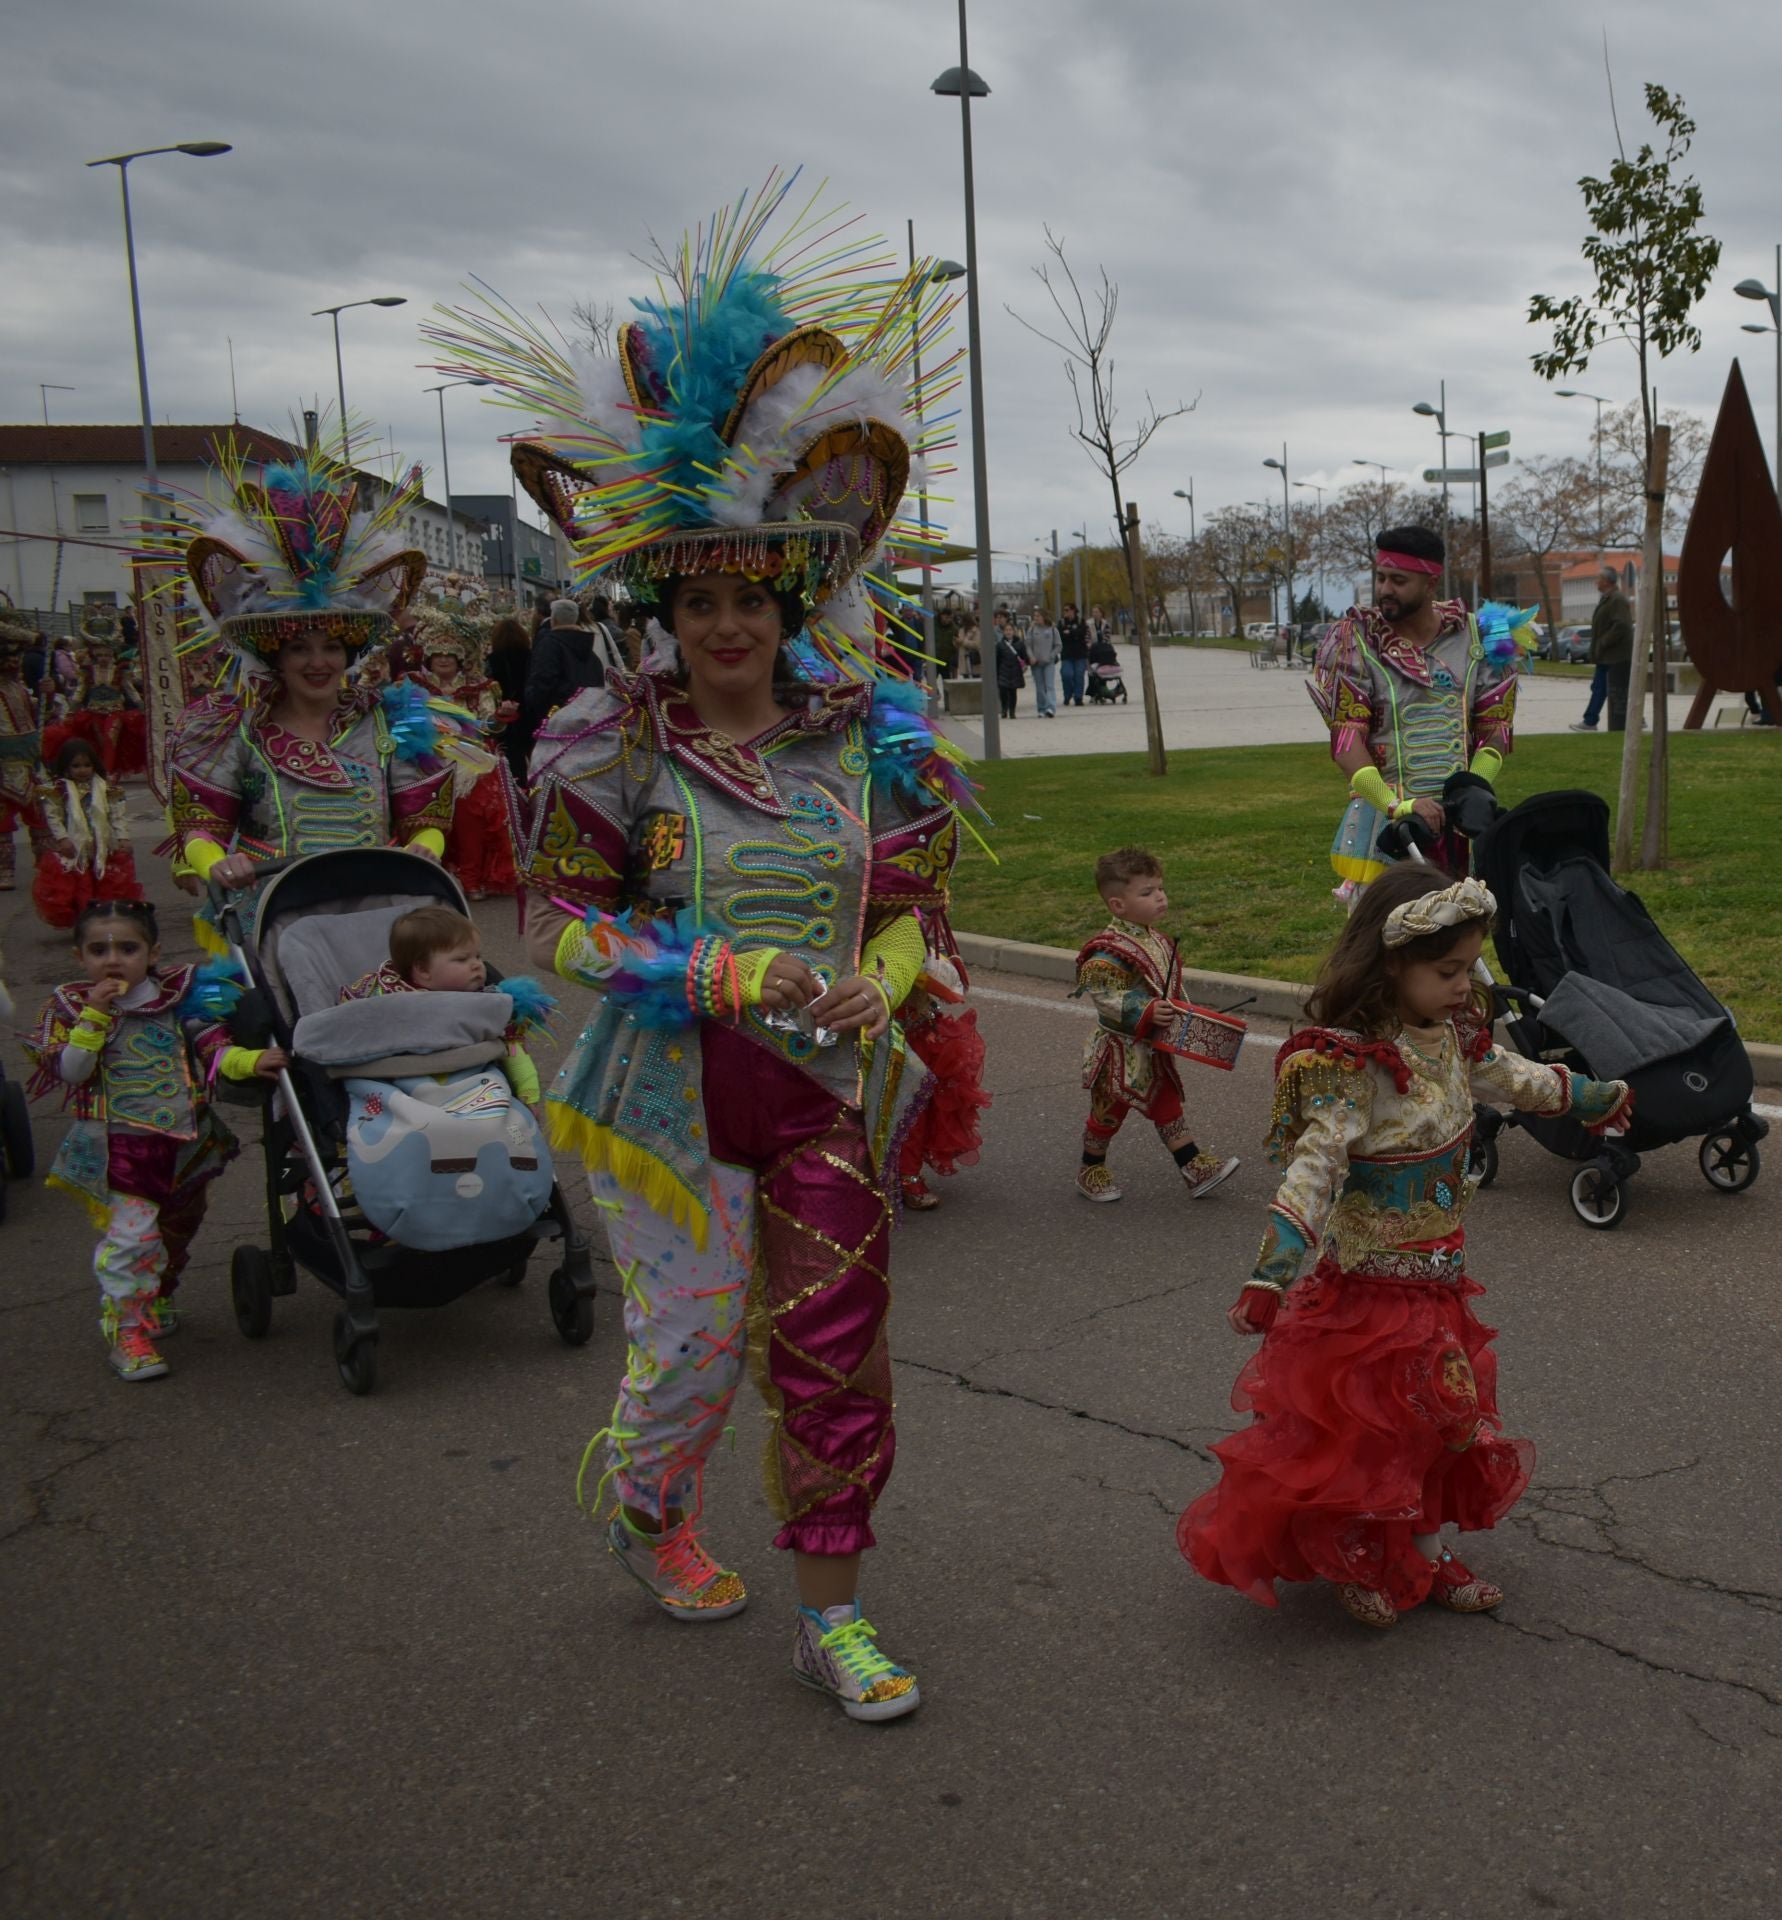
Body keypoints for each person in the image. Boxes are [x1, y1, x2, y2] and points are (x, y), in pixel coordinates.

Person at [429, 178, 981, 1722]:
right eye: (697, 598)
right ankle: (649, 1503)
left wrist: (877, 976)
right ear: (658, 601)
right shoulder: (608, 739)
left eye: (750, 594)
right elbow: (568, 930)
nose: (725, 625)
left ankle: (832, 1615)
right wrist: (722, 973)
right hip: (667, 1102)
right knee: (686, 1362)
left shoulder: (871, 736)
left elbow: (904, 904)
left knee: (832, 1356)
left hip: (817, 1098)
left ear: (796, 590)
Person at [1179, 866, 1633, 1628]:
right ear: (1392, 963)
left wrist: (1589, 1096)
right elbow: (1313, 1171)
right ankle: (1354, 1553)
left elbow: (1509, 1076)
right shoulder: (1352, 1066)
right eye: (1447, 971)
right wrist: (1269, 1277)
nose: (1465, 986)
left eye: (1470, 969)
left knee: (1440, 1424)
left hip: (1440, 1283)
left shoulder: (1453, 1039)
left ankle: (1424, 1554)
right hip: (1366, 1296)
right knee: (1364, 1436)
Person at [153, 446, 455, 946]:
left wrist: (426, 848)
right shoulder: (236, 728)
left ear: (349, 652)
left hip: (378, 914)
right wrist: (218, 861)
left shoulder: (391, 722)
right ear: (275, 655)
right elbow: (201, 824)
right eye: (299, 648)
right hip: (270, 920)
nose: (319, 662)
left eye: (331, 647)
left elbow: (424, 816)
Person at [30, 900, 283, 1380]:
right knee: (133, 1239)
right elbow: (72, 1071)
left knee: (177, 1229)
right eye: (98, 949)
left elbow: (214, 1048)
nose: (112, 959)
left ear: (152, 952)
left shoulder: (176, 999)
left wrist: (251, 1063)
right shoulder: (71, 1008)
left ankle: (159, 1295)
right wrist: (94, 1018)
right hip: (120, 1147)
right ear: (78, 956)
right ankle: (127, 1331)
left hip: (186, 1144)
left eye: (127, 947)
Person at [1311, 526, 1519, 900]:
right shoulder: (1357, 639)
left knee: (1456, 940)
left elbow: (1495, 731)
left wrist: (1472, 789)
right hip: (1389, 828)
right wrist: (1396, 804)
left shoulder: (1484, 635)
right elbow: (1346, 741)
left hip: (1460, 828)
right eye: (1380, 577)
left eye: (1398, 580)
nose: (1385, 589)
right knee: (1383, 943)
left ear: (1430, 583)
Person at [1072, 847, 1240, 1203]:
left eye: (1160, 888)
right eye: (1147, 893)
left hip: (1153, 1047)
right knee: (1107, 1114)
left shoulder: (1157, 939)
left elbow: (1169, 985)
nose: (1159, 896)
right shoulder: (1108, 950)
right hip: (1118, 1053)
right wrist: (1145, 1010)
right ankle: (1090, 1170)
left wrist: (1187, 1012)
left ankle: (1194, 1167)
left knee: (1167, 1105)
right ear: (1118, 905)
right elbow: (1103, 993)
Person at [338, 904, 546, 1108]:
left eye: (477, 956)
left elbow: (513, 1049)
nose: (477, 964)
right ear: (422, 970)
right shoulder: (386, 999)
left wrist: (529, 1094)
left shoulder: (484, 1001)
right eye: (462, 959)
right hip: (403, 1088)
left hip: (472, 1084)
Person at [406, 612, 519, 900]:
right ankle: (429, 876)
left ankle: (470, 879)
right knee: (425, 822)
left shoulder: (479, 687)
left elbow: (486, 727)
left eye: (450, 655)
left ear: (460, 659)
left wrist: (501, 717)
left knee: (470, 825)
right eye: (438, 654)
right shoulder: (411, 685)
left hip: (468, 763)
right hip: (423, 763)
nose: (443, 659)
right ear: (428, 658)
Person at [895, 939, 990, 1212]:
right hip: (867, 1031)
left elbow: (951, 988)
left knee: (914, 1108)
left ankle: (907, 1177)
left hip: (915, 1037)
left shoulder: (913, 930)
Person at [31, 739, 137, 930]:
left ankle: (105, 919)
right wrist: (63, 839)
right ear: (65, 767)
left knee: (107, 884)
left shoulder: (106, 789)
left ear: (94, 765)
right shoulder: (58, 790)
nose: (82, 770)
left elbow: (117, 816)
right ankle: (86, 922)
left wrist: (123, 838)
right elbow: (53, 817)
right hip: (75, 848)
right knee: (81, 886)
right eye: (76, 766)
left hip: (103, 846)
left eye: (87, 765)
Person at [0, 616, 50, 891]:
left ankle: (47, 867)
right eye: (6, 657)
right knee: (2, 824)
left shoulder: (18, 687)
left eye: (15, 657)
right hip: (2, 763)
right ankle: (4, 870)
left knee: (40, 818)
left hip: (28, 761)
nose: (12, 663)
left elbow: (39, 715)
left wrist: (47, 695)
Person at [524, 598, 607, 733]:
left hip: (558, 720)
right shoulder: (588, 648)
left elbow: (541, 683)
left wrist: (533, 707)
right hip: (588, 719)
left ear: (554, 619)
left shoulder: (549, 645)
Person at [1571, 567, 1634, 732]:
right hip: (1607, 656)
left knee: (1602, 688)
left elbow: (1622, 625)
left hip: (1615, 656)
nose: (1595, 582)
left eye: (1598, 579)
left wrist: (1604, 642)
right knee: (1602, 688)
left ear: (1606, 581)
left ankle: (1590, 721)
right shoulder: (1608, 599)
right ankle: (1592, 720)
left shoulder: (1617, 600)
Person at [485, 614, 535, 778]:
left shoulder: (492, 660)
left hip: (504, 714)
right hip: (528, 712)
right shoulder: (531, 657)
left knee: (510, 755)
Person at [1025, 609, 1061, 717]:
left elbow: (1058, 645)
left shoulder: (1052, 629)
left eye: (1038, 616)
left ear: (1044, 617)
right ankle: (1041, 708)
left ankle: (1051, 708)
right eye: (1035, 616)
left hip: (1048, 662)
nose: (1036, 618)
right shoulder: (1031, 630)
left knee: (1049, 686)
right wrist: (1031, 657)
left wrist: (1052, 655)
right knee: (1040, 687)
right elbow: (1028, 645)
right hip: (1036, 663)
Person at [994, 620, 1026, 720]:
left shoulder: (1019, 644)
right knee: (1003, 691)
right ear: (1004, 632)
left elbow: (1024, 657)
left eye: (1010, 630)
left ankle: (1012, 711)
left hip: (1015, 671)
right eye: (1006, 630)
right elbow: (997, 659)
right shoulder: (1000, 645)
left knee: (1013, 692)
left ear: (1014, 631)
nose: (1008, 632)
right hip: (1003, 670)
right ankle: (1004, 709)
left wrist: (1024, 665)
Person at [1058, 602, 1089, 706]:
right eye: (1064, 610)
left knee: (1079, 676)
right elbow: (1060, 635)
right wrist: (1073, 632)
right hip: (1066, 654)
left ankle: (1078, 697)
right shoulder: (1061, 622)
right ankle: (1067, 694)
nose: (1065, 612)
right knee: (1066, 675)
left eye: (1067, 610)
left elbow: (1082, 633)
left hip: (1080, 654)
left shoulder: (1081, 621)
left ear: (1073, 611)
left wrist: (1070, 632)